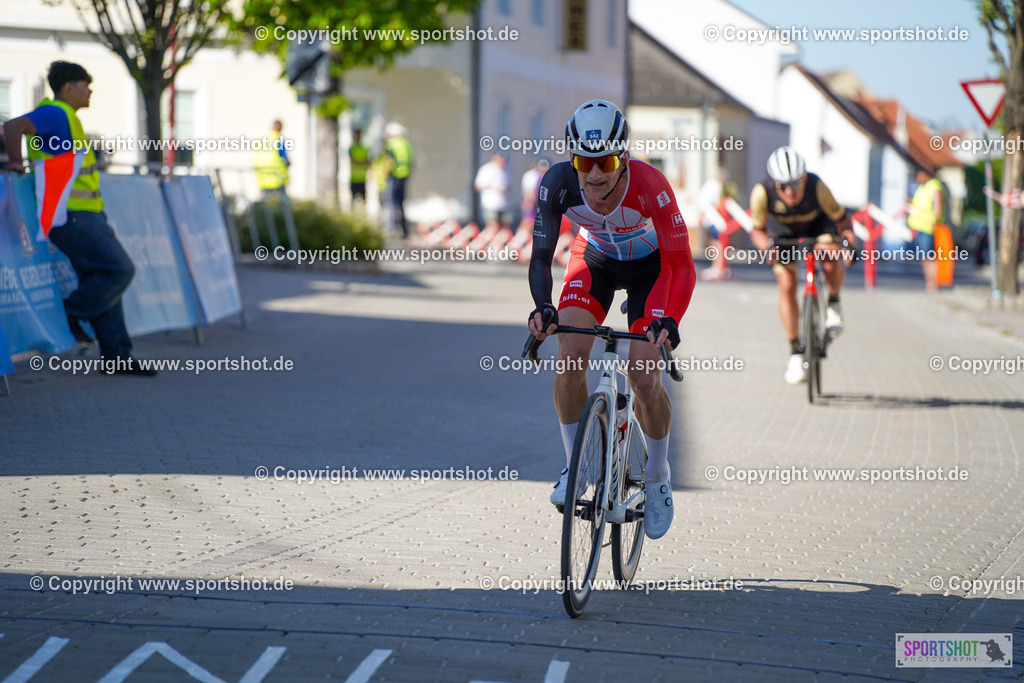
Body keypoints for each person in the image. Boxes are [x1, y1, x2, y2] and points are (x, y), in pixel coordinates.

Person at [528, 100, 696, 540]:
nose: (595, 174)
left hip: (652, 271)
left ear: (623, 157)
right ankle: (576, 467)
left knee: (643, 375)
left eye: (606, 162)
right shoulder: (557, 184)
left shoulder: (651, 186)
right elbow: (542, 257)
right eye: (585, 161)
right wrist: (544, 307)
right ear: (572, 158)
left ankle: (657, 476)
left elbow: (682, 265)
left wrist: (671, 320)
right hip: (596, 261)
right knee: (569, 357)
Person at [2, 61, 155, 376]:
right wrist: (15, 162)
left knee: (99, 277)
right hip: (71, 216)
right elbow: (12, 126)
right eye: (86, 84)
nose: (91, 90)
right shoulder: (56, 112)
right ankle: (69, 317)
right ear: (68, 87)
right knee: (118, 270)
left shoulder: (65, 117)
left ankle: (117, 356)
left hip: (80, 214)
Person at [748, 146, 856, 385]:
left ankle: (834, 303)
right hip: (783, 233)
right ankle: (796, 350)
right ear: (775, 183)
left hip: (818, 228)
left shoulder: (817, 186)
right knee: (786, 285)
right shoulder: (762, 192)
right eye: (783, 186)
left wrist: (848, 244)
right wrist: (767, 248)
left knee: (829, 259)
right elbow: (757, 230)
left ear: (804, 179)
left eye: (796, 184)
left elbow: (843, 221)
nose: (790, 191)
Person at [907, 168, 944, 293]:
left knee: (929, 258)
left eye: (919, 176)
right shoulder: (923, 187)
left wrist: (936, 223)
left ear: (925, 174)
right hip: (919, 227)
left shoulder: (934, 186)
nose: (917, 179)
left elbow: (937, 207)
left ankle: (934, 284)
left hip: (928, 227)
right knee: (925, 258)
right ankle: (930, 283)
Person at [380, 122, 413, 237]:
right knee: (401, 204)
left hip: (393, 176)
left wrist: (384, 174)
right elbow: (411, 162)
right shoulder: (406, 144)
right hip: (404, 177)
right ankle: (404, 230)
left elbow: (387, 161)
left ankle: (392, 229)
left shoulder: (390, 144)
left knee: (391, 203)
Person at [474, 153, 511, 232]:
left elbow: (509, 185)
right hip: (490, 203)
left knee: (504, 226)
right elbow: (478, 186)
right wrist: (493, 188)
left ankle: (499, 243)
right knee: (492, 226)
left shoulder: (505, 170)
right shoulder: (487, 169)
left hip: (503, 203)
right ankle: (491, 243)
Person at [254, 119, 290, 198]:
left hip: (263, 177)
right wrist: (288, 163)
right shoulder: (278, 139)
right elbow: (284, 157)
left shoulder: (262, 138)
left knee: (266, 203)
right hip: (277, 177)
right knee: (283, 203)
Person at [519, 157, 549, 230]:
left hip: (536, 204)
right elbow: (529, 192)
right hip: (531, 203)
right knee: (527, 224)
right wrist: (529, 203)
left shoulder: (538, 175)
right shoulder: (532, 175)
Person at [349, 128, 371, 203]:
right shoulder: (352, 148)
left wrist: (360, 162)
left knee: (363, 199)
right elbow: (353, 161)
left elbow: (368, 161)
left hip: (362, 178)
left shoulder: (364, 148)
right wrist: (362, 162)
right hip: (354, 178)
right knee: (353, 200)